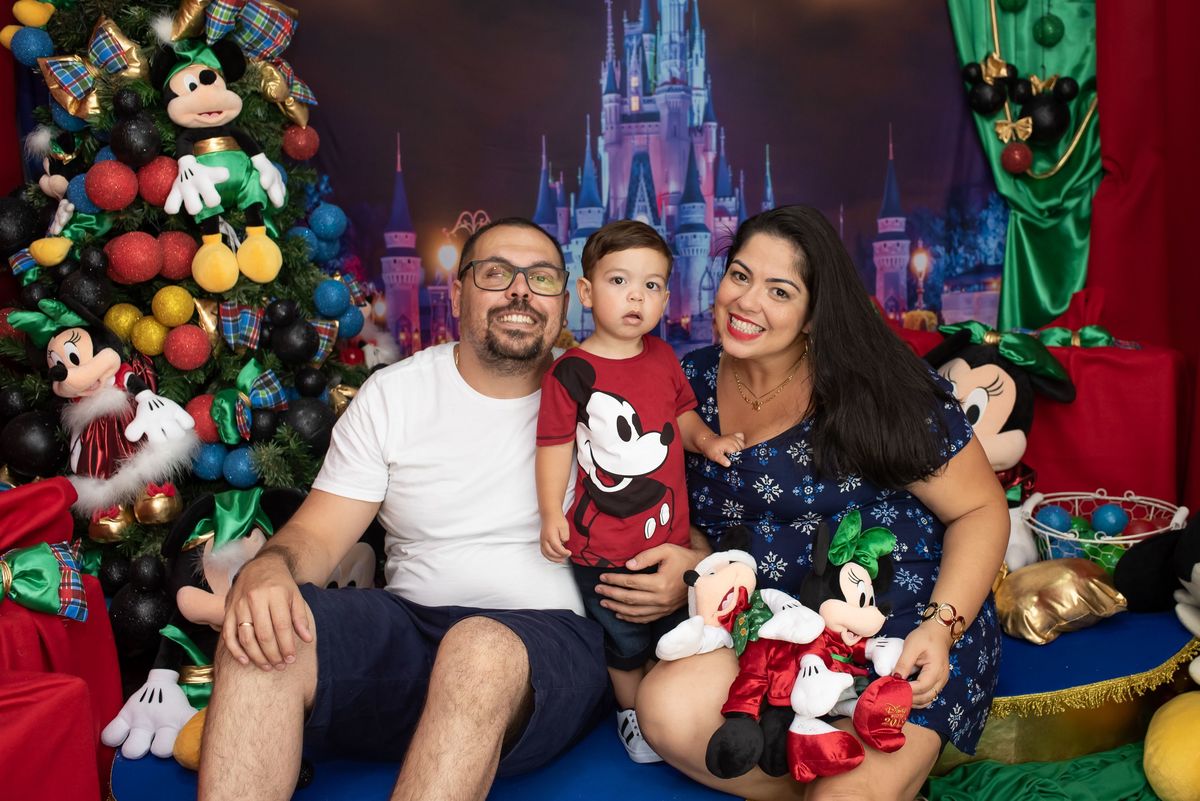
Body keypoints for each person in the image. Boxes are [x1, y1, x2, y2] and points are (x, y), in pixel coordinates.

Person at [197, 218, 612, 801]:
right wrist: (270, 567)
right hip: (410, 632)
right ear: (458, 294)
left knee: (477, 648)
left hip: (545, 647)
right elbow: (319, 534)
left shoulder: (604, 397)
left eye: (541, 278)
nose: (520, 291)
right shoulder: (395, 395)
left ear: (564, 303)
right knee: (257, 631)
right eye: (497, 273)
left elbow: (667, 515)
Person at [633, 205, 1009, 801]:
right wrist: (690, 562)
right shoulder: (687, 385)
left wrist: (940, 628)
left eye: (779, 291)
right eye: (740, 275)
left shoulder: (875, 390)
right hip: (775, 628)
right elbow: (698, 517)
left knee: (844, 795)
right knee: (665, 708)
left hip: (894, 622)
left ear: (813, 316)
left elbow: (981, 510)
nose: (747, 301)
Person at [535, 220, 744, 763]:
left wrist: (709, 441)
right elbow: (554, 446)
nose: (636, 296)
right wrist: (550, 512)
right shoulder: (570, 372)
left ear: (666, 299)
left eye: (651, 286)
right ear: (586, 292)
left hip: (670, 537)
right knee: (623, 642)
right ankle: (632, 716)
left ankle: (674, 706)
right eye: (620, 281)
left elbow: (683, 416)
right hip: (605, 546)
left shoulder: (663, 357)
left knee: (678, 630)